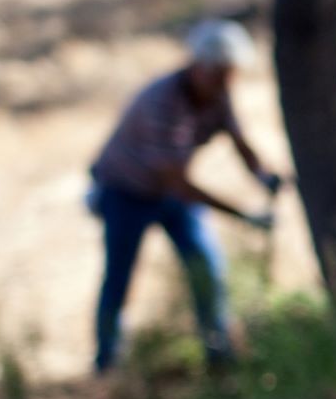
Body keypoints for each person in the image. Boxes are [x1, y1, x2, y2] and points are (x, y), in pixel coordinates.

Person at [89, 19, 281, 374]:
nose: (226, 83)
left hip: (168, 193)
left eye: (231, 75)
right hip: (126, 192)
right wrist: (244, 214)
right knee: (120, 276)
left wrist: (262, 175)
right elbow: (179, 183)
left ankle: (219, 356)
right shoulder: (162, 104)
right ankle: (107, 363)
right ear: (198, 67)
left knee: (206, 269)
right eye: (220, 74)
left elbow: (240, 142)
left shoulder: (216, 95)